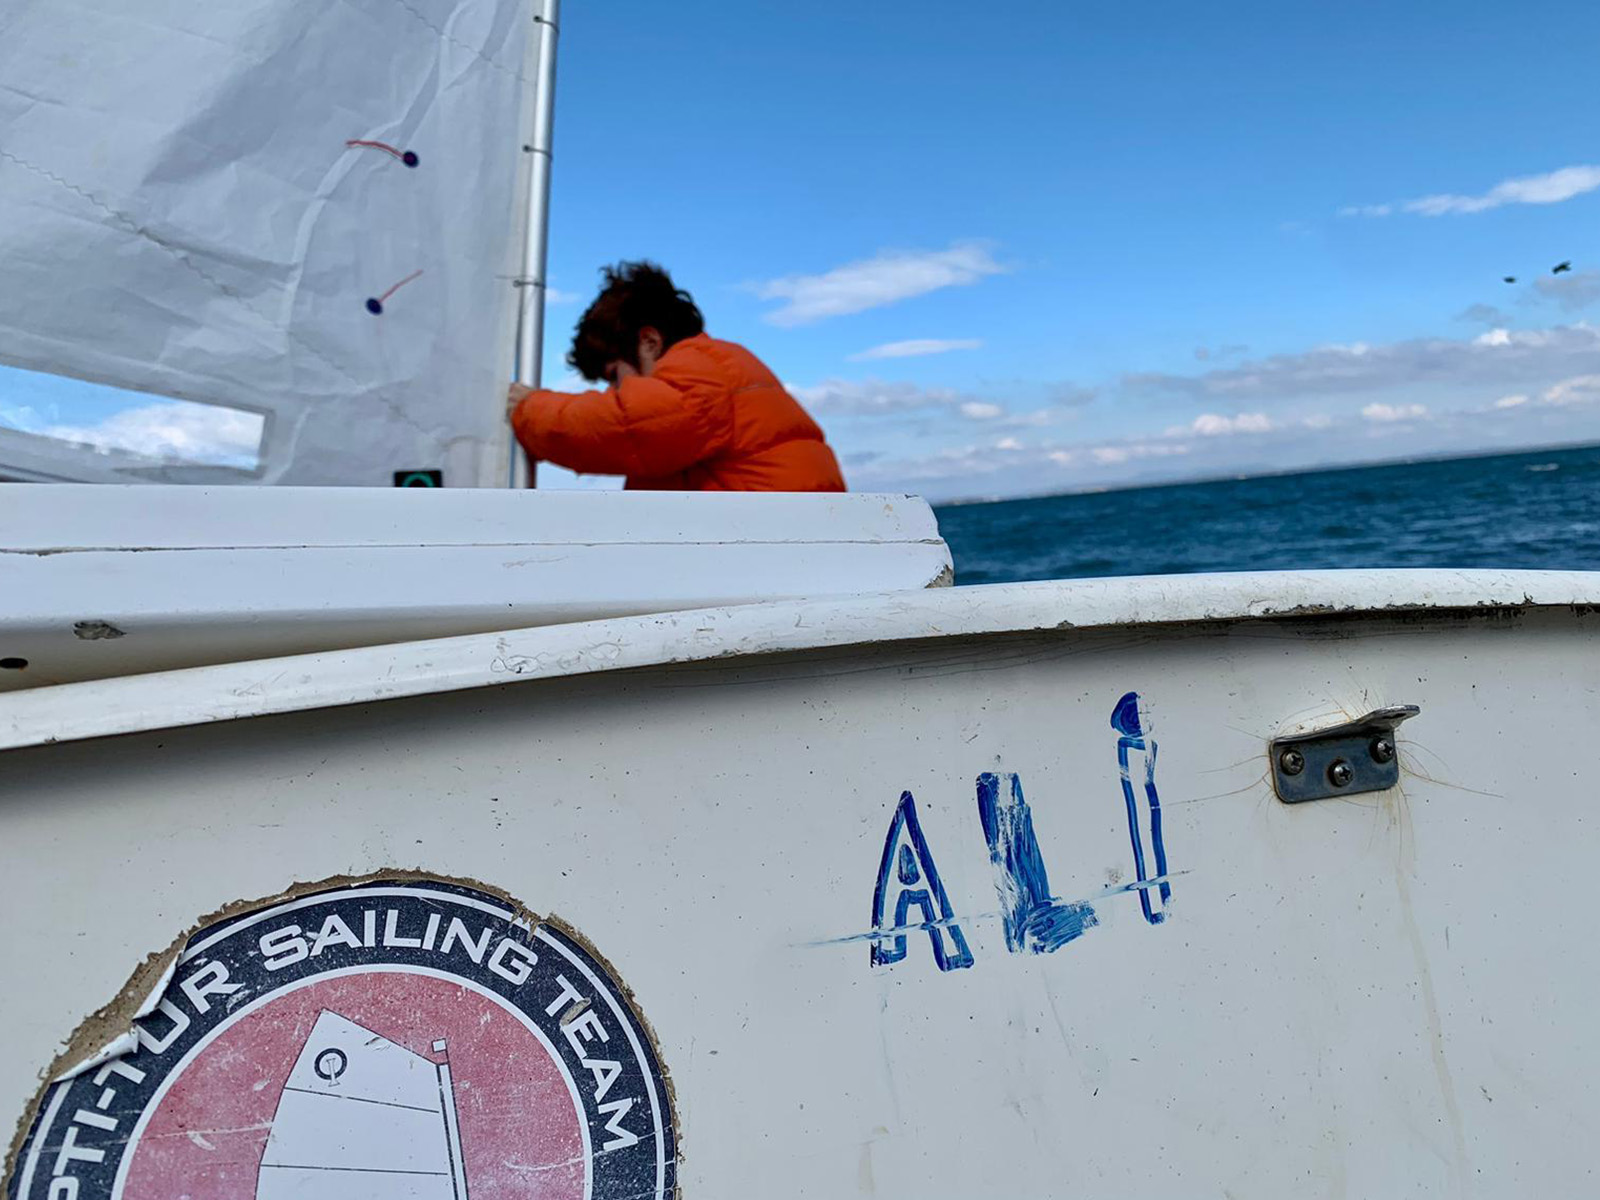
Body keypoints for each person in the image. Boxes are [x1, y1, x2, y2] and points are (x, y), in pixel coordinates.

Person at [509, 262, 846, 491]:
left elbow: (628, 425)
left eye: (614, 376)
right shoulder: (722, 363)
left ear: (649, 342)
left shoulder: (701, 369)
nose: (615, 390)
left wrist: (528, 408)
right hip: (785, 554)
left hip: (773, 564)